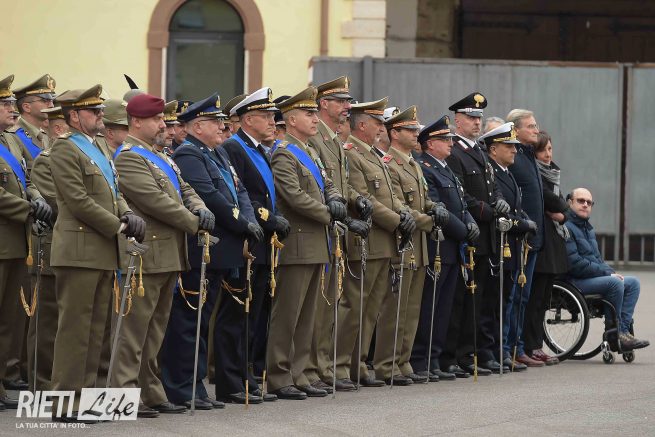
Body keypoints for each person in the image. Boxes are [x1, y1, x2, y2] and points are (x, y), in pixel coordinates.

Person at [112, 92, 212, 417]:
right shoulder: (128, 157)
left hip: (169, 254)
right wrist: (195, 223)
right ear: (136, 122)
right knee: (133, 332)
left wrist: (200, 207)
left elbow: (185, 189)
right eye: (156, 120)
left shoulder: (161, 156)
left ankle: (150, 391)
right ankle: (123, 395)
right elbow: (156, 201)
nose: (163, 126)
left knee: (155, 331)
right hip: (145, 255)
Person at [162, 93, 262, 407]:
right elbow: (209, 197)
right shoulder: (189, 154)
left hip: (224, 249)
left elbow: (239, 191)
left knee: (204, 321)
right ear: (198, 126)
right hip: (204, 248)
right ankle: (184, 388)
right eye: (215, 122)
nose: (222, 126)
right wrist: (242, 224)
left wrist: (248, 219)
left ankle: (197, 387)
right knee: (190, 321)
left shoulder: (217, 152)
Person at [48, 84, 141, 422]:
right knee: (75, 330)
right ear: (74, 116)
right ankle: (64, 402)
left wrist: (126, 212)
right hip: (79, 251)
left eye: (100, 110)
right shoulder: (64, 149)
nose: (101, 115)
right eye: (93, 111)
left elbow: (114, 192)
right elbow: (77, 200)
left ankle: (88, 399)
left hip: (102, 251)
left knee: (96, 331)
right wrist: (118, 225)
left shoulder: (98, 146)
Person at [267, 86, 345, 400]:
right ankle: (279, 375)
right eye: (308, 114)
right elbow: (293, 196)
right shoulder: (284, 151)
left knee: (307, 316)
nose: (315, 119)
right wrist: (329, 213)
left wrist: (336, 200)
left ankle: (299, 373)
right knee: (288, 314)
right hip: (298, 244)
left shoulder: (310, 151)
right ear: (291, 119)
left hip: (317, 243)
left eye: (315, 113)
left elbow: (328, 183)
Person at [336, 97, 415, 389]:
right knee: (354, 307)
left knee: (370, 310)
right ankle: (340, 366)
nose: (382, 128)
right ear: (362, 125)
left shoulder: (372, 155)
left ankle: (357, 364)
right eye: (377, 123)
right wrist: (396, 220)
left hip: (384, 242)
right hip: (366, 239)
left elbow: (389, 195)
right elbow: (362, 196)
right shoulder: (351, 153)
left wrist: (404, 212)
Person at [222, 87, 291, 400]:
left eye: (273, 117)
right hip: (248, 239)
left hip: (264, 240)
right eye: (266, 116)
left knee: (256, 313)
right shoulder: (235, 148)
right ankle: (233, 379)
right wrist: (267, 217)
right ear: (248, 119)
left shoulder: (259, 149)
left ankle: (248, 373)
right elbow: (242, 194)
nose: (273, 122)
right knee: (239, 313)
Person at [304, 76, 371, 393]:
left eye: (348, 101)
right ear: (324, 104)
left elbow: (339, 185)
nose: (347, 107)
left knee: (332, 302)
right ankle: (317, 366)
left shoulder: (332, 139)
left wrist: (356, 200)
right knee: (321, 304)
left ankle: (326, 365)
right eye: (341, 102)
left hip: (338, 227)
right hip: (324, 227)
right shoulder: (316, 138)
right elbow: (317, 186)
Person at [377, 106, 449, 385]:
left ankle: (403, 360)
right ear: (395, 133)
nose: (415, 134)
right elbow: (399, 205)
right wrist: (430, 220)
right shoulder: (389, 163)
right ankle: (387, 363)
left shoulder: (413, 163)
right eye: (410, 130)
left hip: (418, 245)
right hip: (402, 241)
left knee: (411, 308)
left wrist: (434, 207)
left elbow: (422, 199)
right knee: (394, 308)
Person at [443, 92, 510, 377]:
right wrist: (487, 210)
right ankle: (456, 355)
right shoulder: (454, 152)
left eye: (478, 118)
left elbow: (493, 186)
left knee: (480, 300)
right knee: (462, 300)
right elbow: (462, 196)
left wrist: (499, 201)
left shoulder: (481, 151)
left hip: (487, 237)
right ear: (457, 120)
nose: (476, 122)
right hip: (469, 234)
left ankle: (473, 352)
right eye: (471, 117)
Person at [411, 115, 477, 381]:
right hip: (438, 246)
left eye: (450, 138)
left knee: (444, 308)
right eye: (444, 139)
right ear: (430, 143)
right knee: (430, 306)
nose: (450, 143)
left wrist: (470, 222)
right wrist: (464, 230)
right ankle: (421, 359)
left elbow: (460, 203)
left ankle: (435, 357)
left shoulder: (446, 168)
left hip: (453, 248)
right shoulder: (425, 168)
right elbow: (438, 208)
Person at [479, 122, 537, 372]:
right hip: (498, 245)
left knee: (504, 302)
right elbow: (500, 213)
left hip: (511, 247)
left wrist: (524, 219)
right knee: (494, 303)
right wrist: (523, 224)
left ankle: (500, 350)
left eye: (514, 145)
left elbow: (515, 207)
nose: (514, 150)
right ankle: (492, 351)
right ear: (493, 149)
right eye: (508, 146)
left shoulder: (507, 172)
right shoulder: (492, 173)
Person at [565, 188, 650, 351]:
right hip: (574, 280)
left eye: (589, 202)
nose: (585, 205)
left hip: (590, 277)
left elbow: (598, 260)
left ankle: (623, 331)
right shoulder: (567, 227)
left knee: (633, 283)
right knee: (614, 283)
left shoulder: (587, 229)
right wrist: (608, 274)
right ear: (570, 202)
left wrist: (611, 272)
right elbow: (575, 263)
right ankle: (614, 335)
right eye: (580, 201)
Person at [505, 108, 546, 368]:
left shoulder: (528, 155)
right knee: (515, 296)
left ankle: (518, 347)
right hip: (520, 239)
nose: (536, 130)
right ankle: (509, 349)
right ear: (515, 130)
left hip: (533, 239)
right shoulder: (514, 157)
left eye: (535, 125)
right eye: (530, 126)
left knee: (524, 296)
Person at [524, 131, 568, 365]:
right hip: (541, 246)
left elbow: (562, 208)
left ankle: (536, 344)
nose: (548, 154)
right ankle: (531, 345)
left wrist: (563, 213)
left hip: (553, 246)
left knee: (542, 301)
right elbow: (556, 202)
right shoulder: (535, 175)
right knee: (534, 301)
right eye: (543, 150)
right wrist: (562, 209)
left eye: (550, 149)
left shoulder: (552, 174)